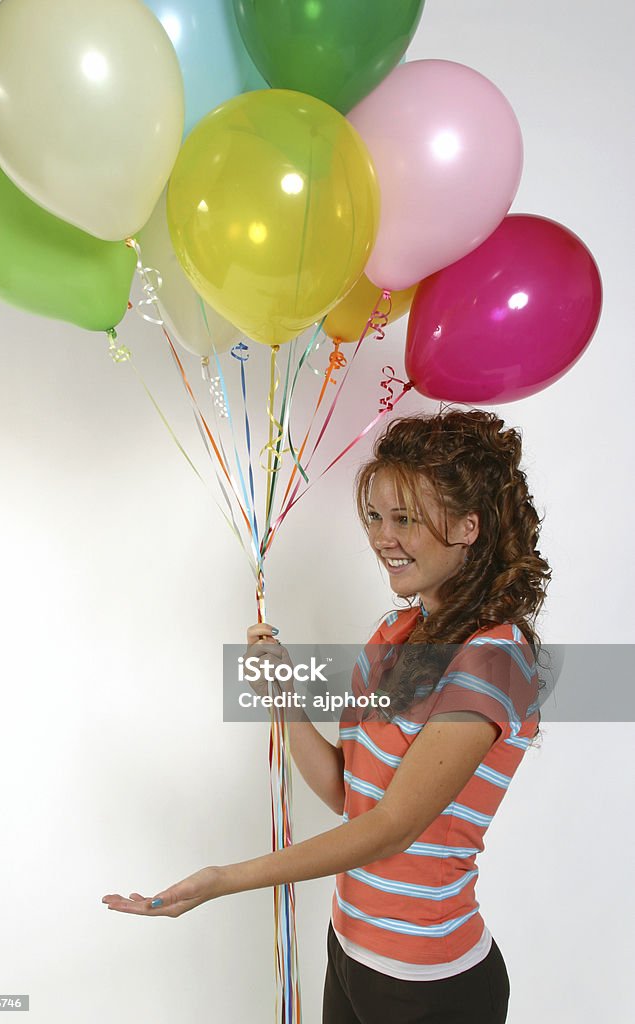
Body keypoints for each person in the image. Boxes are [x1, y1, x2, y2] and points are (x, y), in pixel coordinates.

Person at [102, 408, 551, 1024]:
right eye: (375, 516)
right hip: (347, 951)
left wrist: (221, 880)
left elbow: (390, 828)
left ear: (469, 526)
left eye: (406, 519)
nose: (382, 537)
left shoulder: (493, 659)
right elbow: (349, 794)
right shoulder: (396, 633)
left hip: (430, 986)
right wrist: (283, 698)